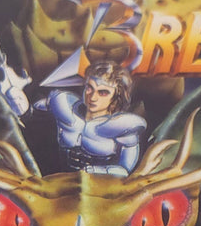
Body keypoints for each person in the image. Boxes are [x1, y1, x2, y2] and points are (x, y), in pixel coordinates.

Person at [12, 61, 147, 176]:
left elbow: (125, 170)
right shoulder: (63, 103)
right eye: (89, 88)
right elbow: (31, 111)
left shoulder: (124, 127)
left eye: (103, 92)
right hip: (56, 180)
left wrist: (95, 171)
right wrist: (20, 103)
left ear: (116, 97)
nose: (92, 97)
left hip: (98, 189)